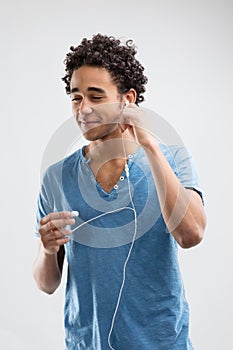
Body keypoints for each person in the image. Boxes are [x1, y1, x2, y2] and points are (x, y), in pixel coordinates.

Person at [33, 33, 206, 350]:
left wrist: (150, 145)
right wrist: (46, 250)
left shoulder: (174, 159)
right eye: (75, 97)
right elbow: (47, 284)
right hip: (86, 343)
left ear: (128, 99)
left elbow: (191, 235)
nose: (82, 109)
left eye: (96, 96)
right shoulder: (56, 177)